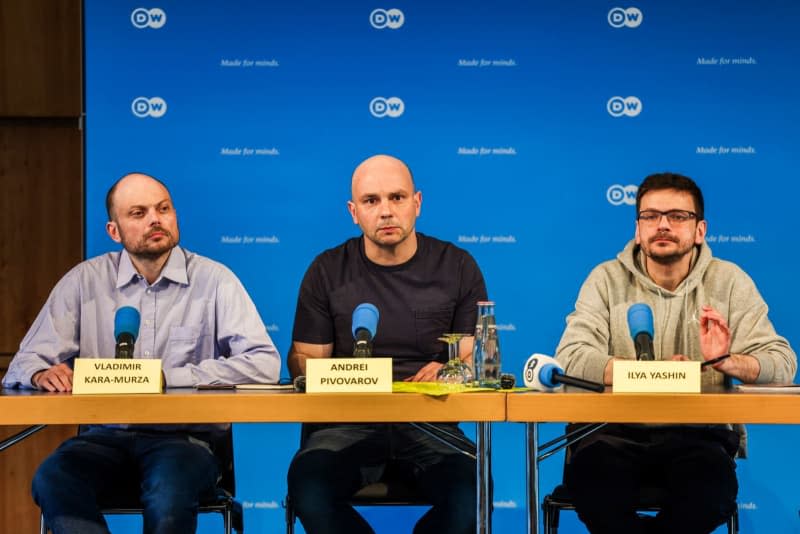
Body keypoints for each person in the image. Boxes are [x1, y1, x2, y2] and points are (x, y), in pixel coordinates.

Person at [2, 172, 280, 534]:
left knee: (168, 493)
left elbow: (264, 363)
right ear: (114, 231)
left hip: (185, 441)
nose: (155, 219)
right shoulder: (84, 282)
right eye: (138, 213)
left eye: (163, 209)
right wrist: (40, 373)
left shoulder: (215, 280)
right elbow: (23, 363)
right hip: (105, 438)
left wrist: (168, 378)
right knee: (53, 479)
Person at [555, 172, 797, 534]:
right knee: (597, 488)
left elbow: (783, 365)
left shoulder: (729, 281)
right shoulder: (605, 279)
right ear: (638, 229)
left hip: (697, 437)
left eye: (677, 216)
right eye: (650, 216)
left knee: (707, 494)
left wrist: (726, 361)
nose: (662, 225)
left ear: (700, 230)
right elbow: (572, 358)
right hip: (610, 434)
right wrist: (653, 374)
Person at [286, 154, 487, 534]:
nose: (386, 212)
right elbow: (305, 362)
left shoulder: (457, 266)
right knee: (308, 486)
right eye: (371, 201)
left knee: (472, 490)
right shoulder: (326, 271)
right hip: (346, 426)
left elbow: (469, 358)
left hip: (432, 426)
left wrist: (454, 369)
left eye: (397, 198)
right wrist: (327, 370)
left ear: (417, 203)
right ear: (353, 211)